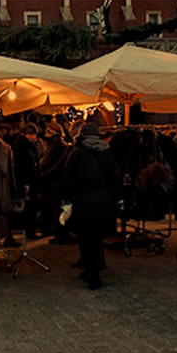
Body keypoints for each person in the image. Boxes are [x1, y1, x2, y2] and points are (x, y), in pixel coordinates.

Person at [62, 123, 121, 290]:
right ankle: (96, 265)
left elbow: (68, 177)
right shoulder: (107, 152)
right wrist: (118, 199)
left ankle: (90, 270)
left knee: (85, 235)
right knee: (97, 236)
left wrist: (66, 199)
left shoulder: (77, 152)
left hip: (82, 199)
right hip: (103, 200)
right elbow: (115, 177)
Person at [38, 121, 72, 244]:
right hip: (53, 180)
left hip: (54, 181)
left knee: (57, 208)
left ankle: (61, 234)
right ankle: (59, 232)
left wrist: (43, 174)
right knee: (55, 208)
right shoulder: (54, 145)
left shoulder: (57, 145)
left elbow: (53, 164)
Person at [10, 123, 41, 240]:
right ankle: (29, 230)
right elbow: (25, 166)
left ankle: (29, 230)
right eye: (32, 134)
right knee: (29, 206)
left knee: (28, 206)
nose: (34, 137)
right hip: (27, 180)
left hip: (25, 180)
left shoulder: (20, 146)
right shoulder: (24, 147)